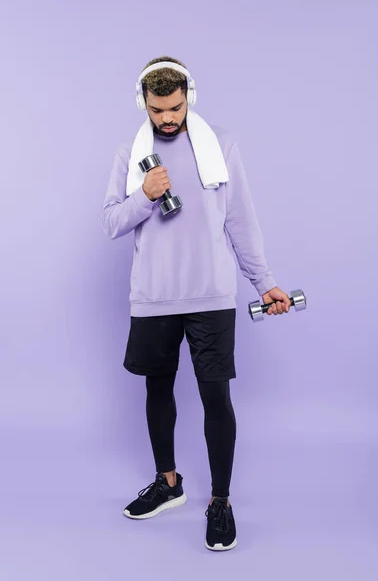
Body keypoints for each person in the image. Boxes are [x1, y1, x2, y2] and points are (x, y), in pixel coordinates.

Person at [101, 56, 291, 551]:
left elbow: (241, 220)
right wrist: (144, 195)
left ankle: (220, 502)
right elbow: (111, 223)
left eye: (176, 108)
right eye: (158, 109)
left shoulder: (219, 145)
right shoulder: (130, 153)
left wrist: (263, 282)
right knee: (157, 392)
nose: (167, 119)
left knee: (215, 398)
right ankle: (169, 484)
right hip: (153, 296)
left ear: (190, 98)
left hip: (211, 295)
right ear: (143, 102)